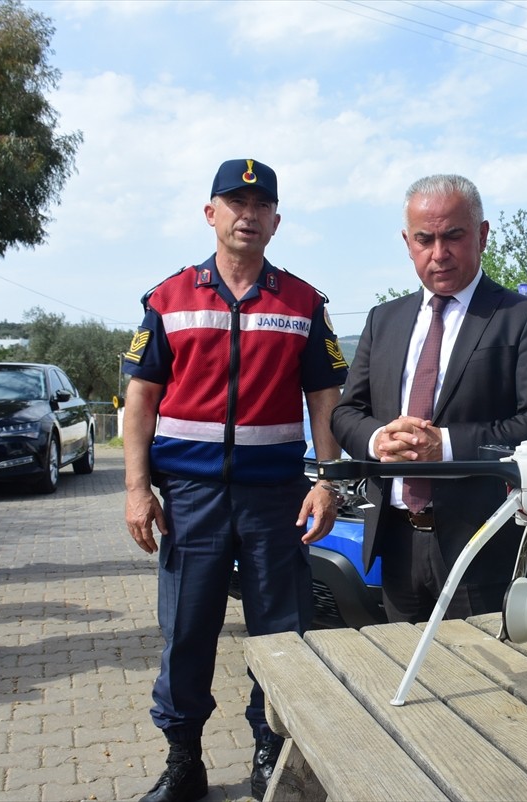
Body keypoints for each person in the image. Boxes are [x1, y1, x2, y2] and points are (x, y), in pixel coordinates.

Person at [122, 158, 348, 802]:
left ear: (276, 219)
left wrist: (326, 482)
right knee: (187, 629)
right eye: (234, 202)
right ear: (210, 213)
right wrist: (138, 488)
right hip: (189, 500)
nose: (247, 214)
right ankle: (183, 761)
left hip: (275, 497)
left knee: (281, 631)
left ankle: (270, 749)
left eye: (260, 205)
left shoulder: (303, 302)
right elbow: (140, 400)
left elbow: (324, 399)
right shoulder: (168, 299)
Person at [331, 174, 527, 625]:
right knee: (406, 680)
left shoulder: (520, 318)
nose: (438, 254)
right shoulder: (384, 319)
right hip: (396, 542)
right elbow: (346, 413)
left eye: (453, 236)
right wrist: (378, 439)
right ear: (407, 242)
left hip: (480, 545)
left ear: (481, 235)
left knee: (483, 684)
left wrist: (448, 445)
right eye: (425, 239)